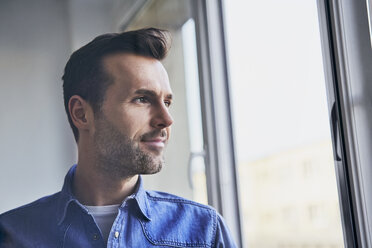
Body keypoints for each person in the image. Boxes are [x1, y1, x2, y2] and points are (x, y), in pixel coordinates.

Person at [0, 28, 236, 247]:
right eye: (142, 99)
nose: (166, 119)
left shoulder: (205, 232)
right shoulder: (11, 235)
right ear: (81, 114)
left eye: (167, 102)